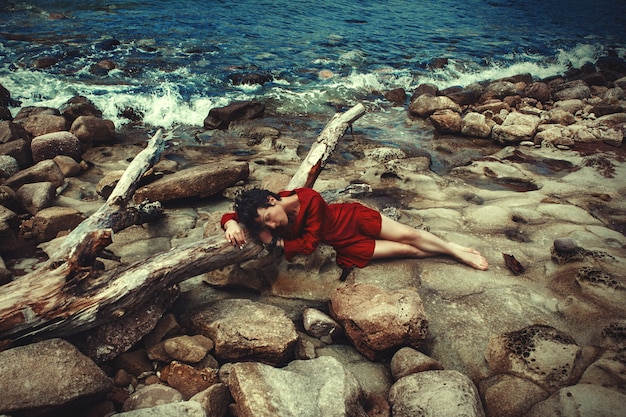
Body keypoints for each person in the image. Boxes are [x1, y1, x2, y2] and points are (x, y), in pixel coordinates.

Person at [221, 188, 488, 278]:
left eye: (269, 219)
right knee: (407, 250)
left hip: (354, 219)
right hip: (345, 243)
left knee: (408, 235)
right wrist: (230, 223)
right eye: (265, 225)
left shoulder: (310, 199)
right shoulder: (266, 210)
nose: (271, 225)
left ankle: (455, 251)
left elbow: (310, 243)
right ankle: (447, 246)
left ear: (271, 200)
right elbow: (240, 215)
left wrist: (278, 243)